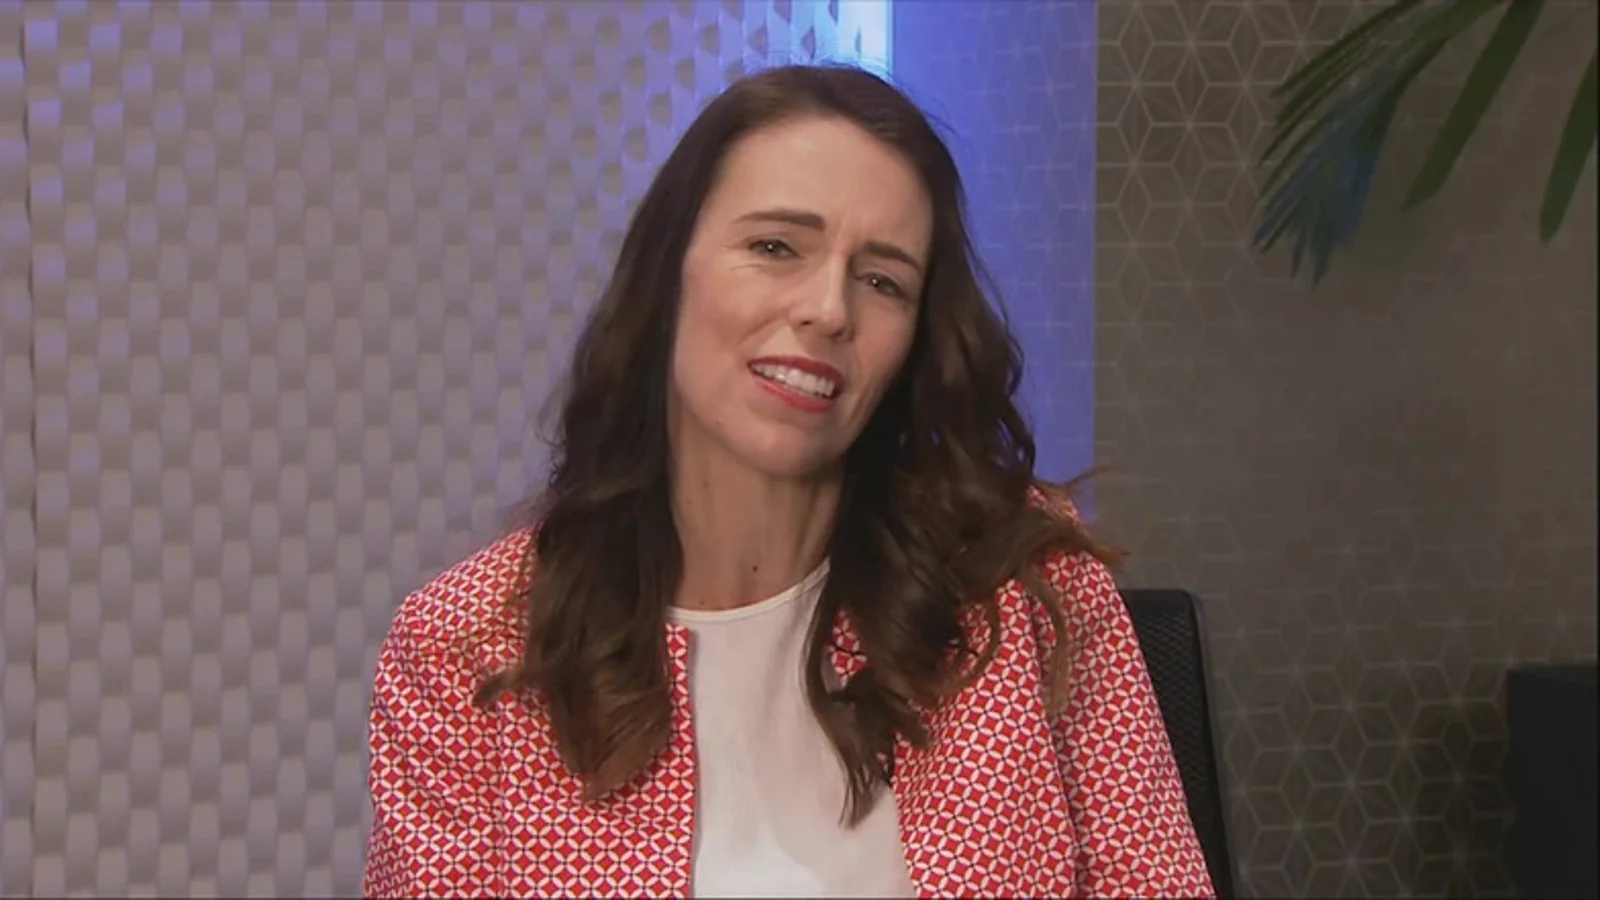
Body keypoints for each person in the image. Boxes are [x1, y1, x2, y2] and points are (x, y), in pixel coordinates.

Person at [362, 63, 1214, 899]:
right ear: (668, 271)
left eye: (882, 281)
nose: (830, 310)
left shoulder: (1027, 586)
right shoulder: (466, 646)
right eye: (775, 247)